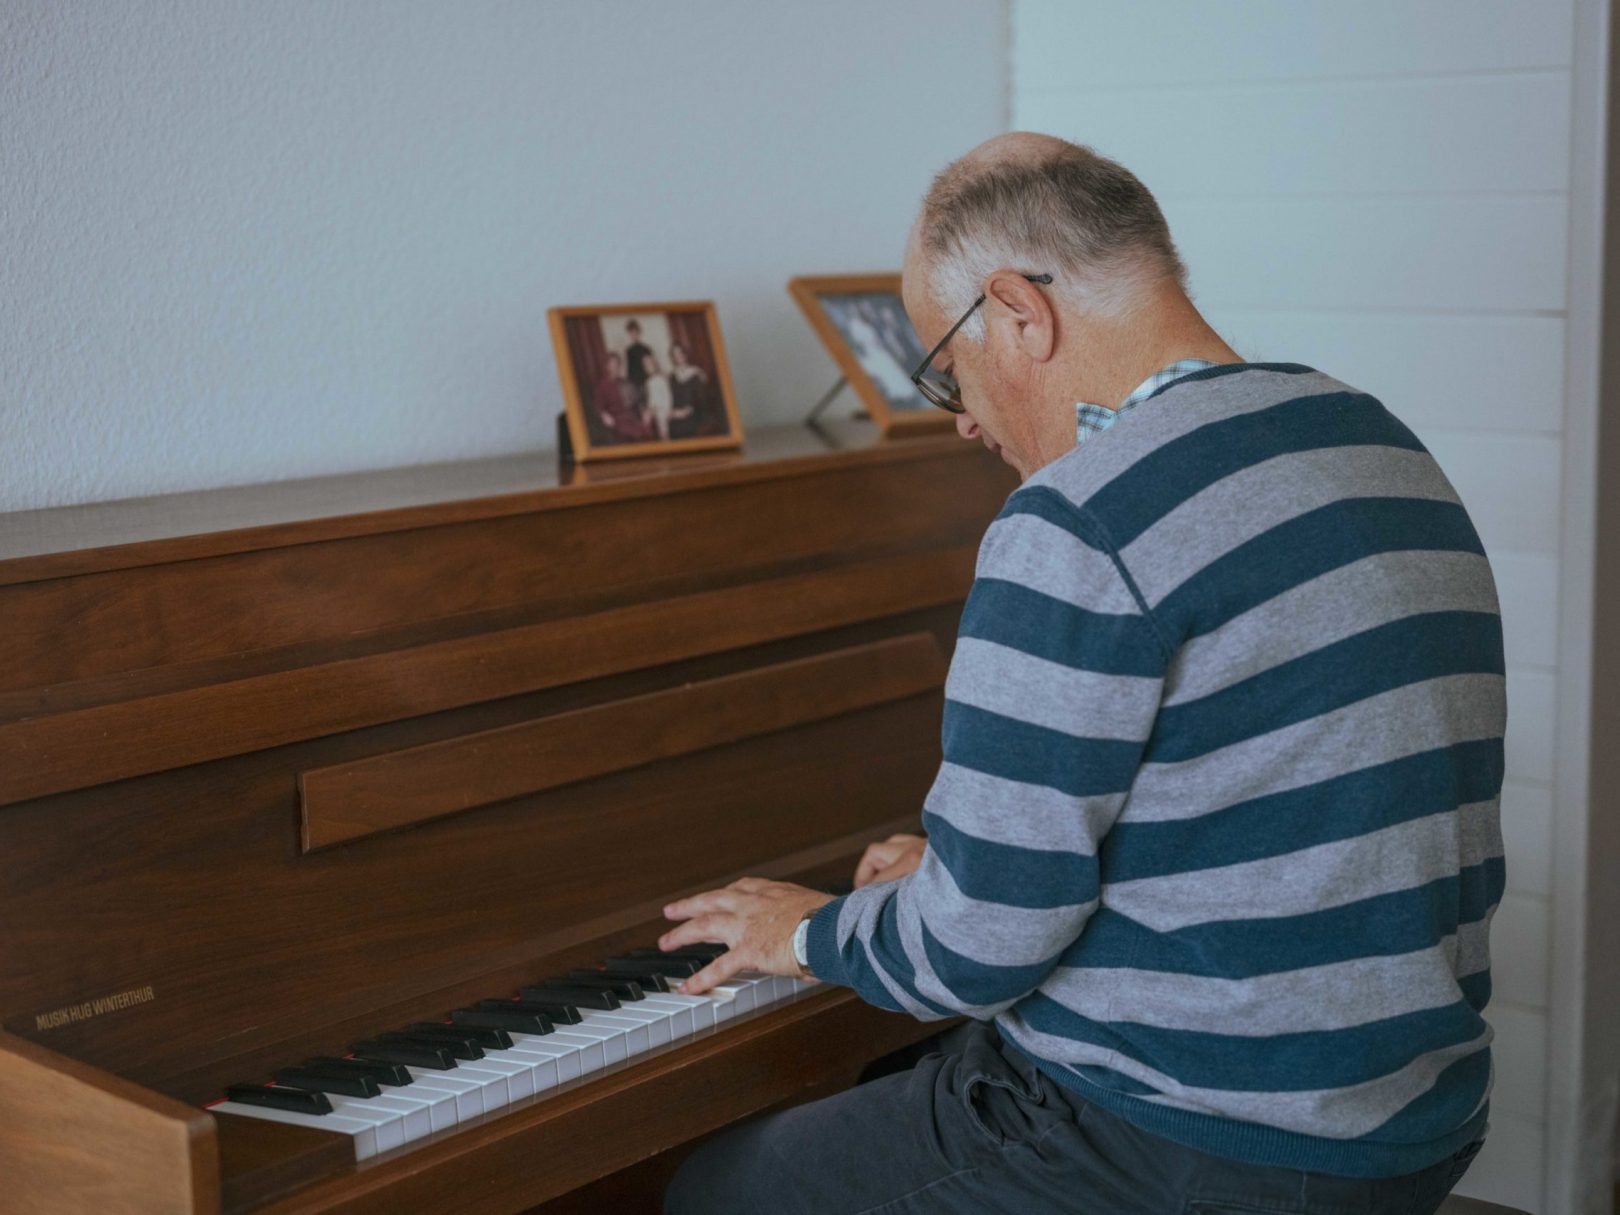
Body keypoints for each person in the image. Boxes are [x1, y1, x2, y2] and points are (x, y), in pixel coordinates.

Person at [659, 132, 1501, 1214]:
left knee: (719, 1194)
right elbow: (1274, 806)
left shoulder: (1083, 517)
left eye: (946, 368)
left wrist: (806, 932)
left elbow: (973, 956)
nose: (961, 416)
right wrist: (968, 866)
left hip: (1201, 1141)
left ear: (1019, 311)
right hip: (1412, 1122)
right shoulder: (1371, 442)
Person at [589, 351, 650, 443]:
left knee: (646, 430)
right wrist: (604, 416)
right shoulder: (602, 386)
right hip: (616, 420)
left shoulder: (625, 382)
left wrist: (645, 411)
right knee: (637, 434)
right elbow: (598, 407)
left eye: (617, 364)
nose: (615, 367)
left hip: (631, 416)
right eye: (612, 364)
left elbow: (638, 400)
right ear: (607, 366)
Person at [667, 341, 710, 439]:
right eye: (675, 354)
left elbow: (701, 400)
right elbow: (671, 398)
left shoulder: (696, 373)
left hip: (694, 412)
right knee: (673, 428)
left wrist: (687, 411)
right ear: (673, 358)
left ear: (685, 354)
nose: (678, 356)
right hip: (677, 414)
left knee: (685, 429)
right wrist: (673, 412)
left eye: (680, 353)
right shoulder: (671, 376)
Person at [641, 352, 673, 439]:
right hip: (654, 407)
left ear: (655, 364)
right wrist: (649, 410)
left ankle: (666, 440)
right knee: (645, 418)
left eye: (650, 364)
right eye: (646, 365)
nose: (648, 367)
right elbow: (651, 399)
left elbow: (667, 396)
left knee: (661, 419)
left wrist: (666, 409)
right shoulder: (648, 382)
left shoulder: (662, 378)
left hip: (663, 407)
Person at [622, 319, 654, 389]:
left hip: (647, 381)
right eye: (631, 333)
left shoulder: (646, 349)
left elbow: (652, 367)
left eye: (635, 332)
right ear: (629, 334)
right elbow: (628, 369)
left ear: (639, 332)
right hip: (634, 383)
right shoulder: (628, 351)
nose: (633, 335)